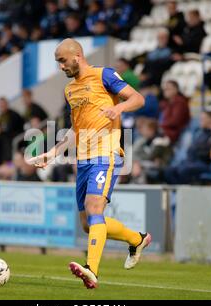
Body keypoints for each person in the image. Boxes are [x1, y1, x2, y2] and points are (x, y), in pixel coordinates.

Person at [28, 38, 150, 289]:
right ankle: (136, 240)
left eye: (62, 60)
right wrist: (53, 152)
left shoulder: (104, 75)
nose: (61, 66)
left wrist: (120, 109)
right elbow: (76, 128)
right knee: (88, 224)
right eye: (58, 62)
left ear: (77, 56)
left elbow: (138, 99)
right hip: (83, 159)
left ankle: (91, 270)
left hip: (106, 154)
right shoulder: (70, 90)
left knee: (95, 208)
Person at [164, 110, 211, 184]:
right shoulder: (200, 133)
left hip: (204, 163)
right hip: (192, 161)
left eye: (204, 118)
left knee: (184, 170)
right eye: (200, 118)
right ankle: (178, 192)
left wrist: (197, 151)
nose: (201, 120)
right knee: (169, 171)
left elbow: (209, 152)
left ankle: (184, 191)